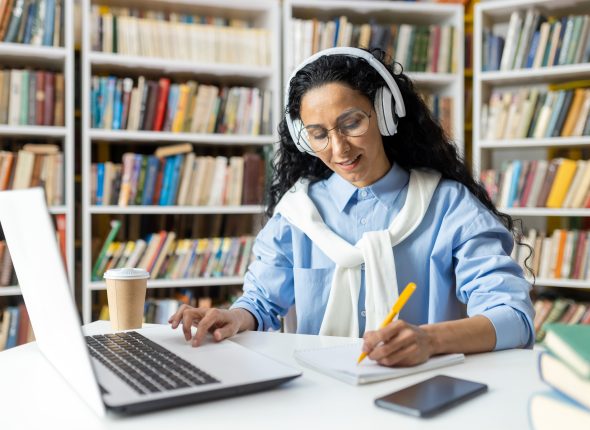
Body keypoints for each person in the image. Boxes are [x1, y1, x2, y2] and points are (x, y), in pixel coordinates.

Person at [169, 47, 535, 367]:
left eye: (351, 123)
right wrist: (233, 317)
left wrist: (430, 340)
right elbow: (262, 302)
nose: (339, 149)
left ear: (386, 114)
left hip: (424, 387)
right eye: (319, 134)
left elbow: (513, 317)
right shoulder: (299, 213)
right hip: (317, 394)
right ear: (304, 137)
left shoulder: (449, 205)